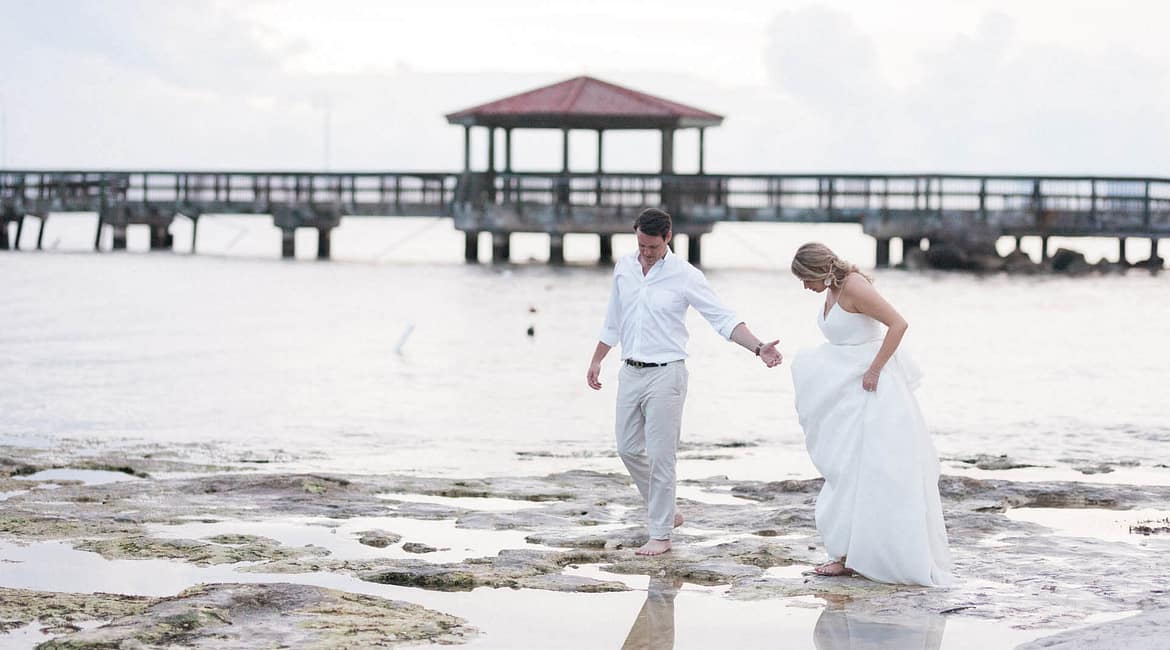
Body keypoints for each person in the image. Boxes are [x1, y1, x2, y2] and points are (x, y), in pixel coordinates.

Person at [586, 208, 782, 556]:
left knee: (662, 456)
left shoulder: (685, 275)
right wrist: (597, 359)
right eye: (641, 245)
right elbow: (613, 319)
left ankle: (660, 534)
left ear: (668, 237)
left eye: (652, 247)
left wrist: (758, 347)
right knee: (627, 448)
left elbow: (722, 318)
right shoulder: (625, 267)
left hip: (667, 373)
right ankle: (667, 510)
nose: (645, 253)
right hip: (629, 371)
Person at [789, 242, 952, 586]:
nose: (804, 287)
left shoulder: (853, 286)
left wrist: (875, 370)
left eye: (805, 279)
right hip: (845, 392)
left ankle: (857, 556)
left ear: (820, 270)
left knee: (871, 473)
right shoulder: (833, 288)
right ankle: (847, 553)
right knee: (845, 472)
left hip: (872, 391)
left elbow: (898, 324)